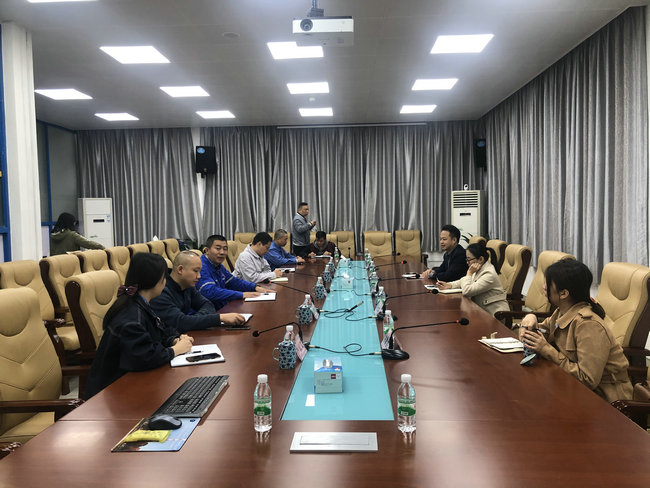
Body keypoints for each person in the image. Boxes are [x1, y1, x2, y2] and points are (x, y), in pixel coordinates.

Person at [519, 259, 632, 402]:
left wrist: (547, 350)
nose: (543, 287)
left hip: (604, 400)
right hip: (570, 387)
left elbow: (588, 379)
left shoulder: (589, 325)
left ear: (563, 293)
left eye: (548, 284)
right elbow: (544, 330)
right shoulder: (563, 311)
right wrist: (530, 318)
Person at [85, 253, 194, 399]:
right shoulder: (131, 318)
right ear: (156, 281)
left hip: (126, 384)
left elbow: (156, 333)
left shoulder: (139, 303)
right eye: (164, 278)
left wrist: (174, 340)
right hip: (111, 394)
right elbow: (145, 357)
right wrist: (175, 350)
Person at [150, 251, 246, 332]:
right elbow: (181, 322)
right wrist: (219, 318)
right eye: (195, 271)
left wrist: (194, 320)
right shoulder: (160, 291)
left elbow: (208, 305)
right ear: (180, 269)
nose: (199, 276)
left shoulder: (187, 285)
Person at [196, 234, 273, 310]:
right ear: (207, 250)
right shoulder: (201, 267)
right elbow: (210, 292)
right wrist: (242, 294)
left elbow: (233, 281)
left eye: (225, 249)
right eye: (218, 248)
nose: (222, 252)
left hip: (223, 306)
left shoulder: (218, 265)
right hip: (210, 311)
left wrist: (255, 287)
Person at [436, 242, 509, 316]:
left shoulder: (489, 274)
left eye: (469, 260)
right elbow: (463, 281)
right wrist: (449, 285)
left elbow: (467, 291)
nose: (467, 262)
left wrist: (469, 273)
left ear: (480, 259)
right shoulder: (480, 267)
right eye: (466, 259)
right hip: (481, 310)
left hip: (495, 315)